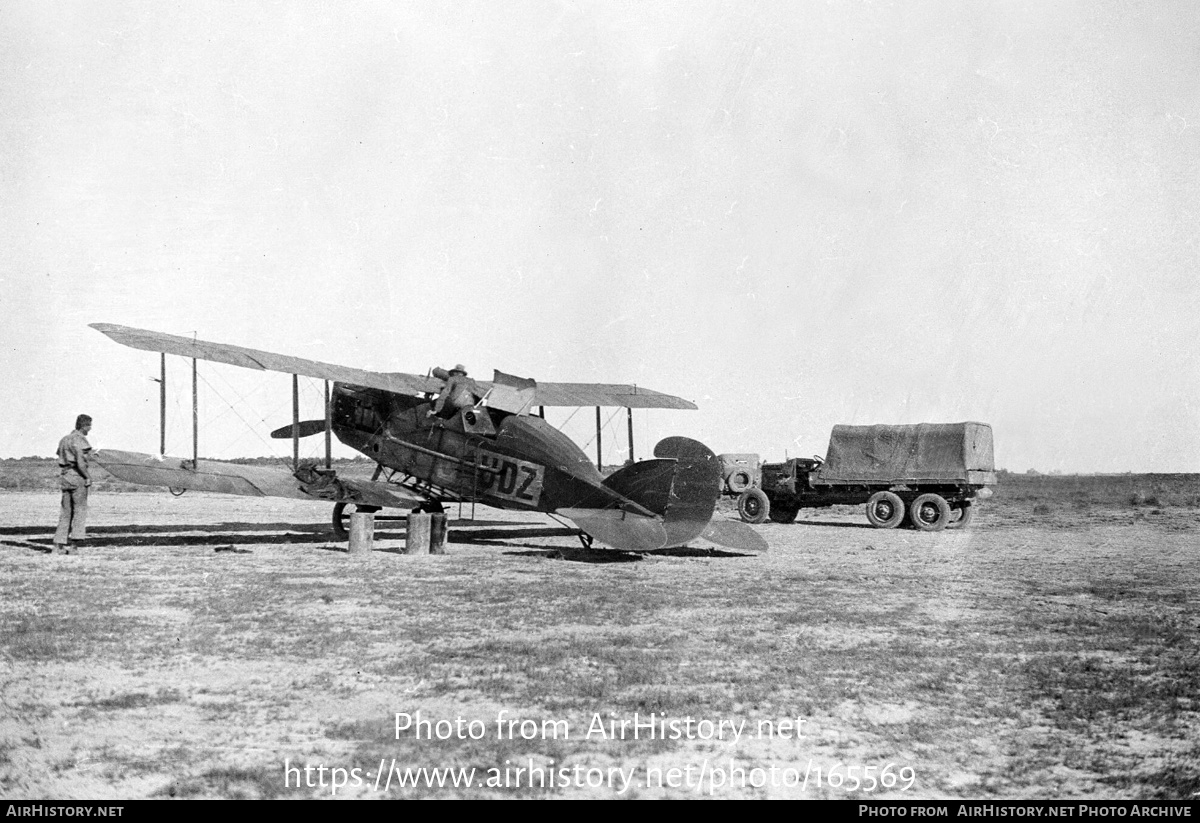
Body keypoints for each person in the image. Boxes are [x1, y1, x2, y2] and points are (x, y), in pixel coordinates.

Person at [53, 414, 93, 555]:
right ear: (84, 426)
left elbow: (60, 454)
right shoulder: (80, 439)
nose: (90, 429)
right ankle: (74, 546)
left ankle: (58, 545)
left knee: (65, 512)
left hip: (65, 476)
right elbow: (81, 463)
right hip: (77, 476)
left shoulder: (64, 439)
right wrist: (87, 477)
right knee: (79, 511)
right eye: (89, 426)